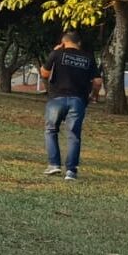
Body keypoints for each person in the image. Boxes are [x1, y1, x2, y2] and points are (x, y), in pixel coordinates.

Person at [39, 30, 102, 180]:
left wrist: (53, 53)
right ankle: (71, 172)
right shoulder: (88, 58)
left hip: (57, 99)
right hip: (78, 100)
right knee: (74, 136)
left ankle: (54, 165)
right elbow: (98, 82)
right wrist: (94, 95)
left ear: (63, 42)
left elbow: (45, 74)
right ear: (78, 43)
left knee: (51, 130)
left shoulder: (57, 54)